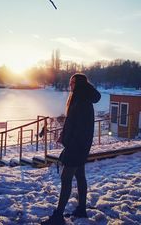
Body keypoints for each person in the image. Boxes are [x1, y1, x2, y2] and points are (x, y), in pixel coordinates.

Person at [41, 73, 101, 225]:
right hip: (79, 145)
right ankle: (81, 209)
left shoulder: (82, 102)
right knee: (80, 175)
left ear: (79, 84)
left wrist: (68, 142)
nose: (71, 85)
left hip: (77, 146)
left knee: (66, 178)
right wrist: (63, 134)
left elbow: (81, 128)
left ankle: (58, 216)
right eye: (70, 82)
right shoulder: (80, 99)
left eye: (73, 82)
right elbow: (72, 122)